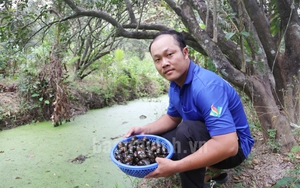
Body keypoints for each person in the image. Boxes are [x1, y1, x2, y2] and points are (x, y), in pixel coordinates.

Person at [124, 30, 254, 188]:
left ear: (185, 52)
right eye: (157, 59)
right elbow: (172, 118)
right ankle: (209, 173)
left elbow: (229, 146)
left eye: (169, 54)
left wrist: (176, 166)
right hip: (210, 136)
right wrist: (144, 129)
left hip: (235, 149)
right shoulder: (175, 85)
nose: (164, 63)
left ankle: (198, 179)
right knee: (162, 138)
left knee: (186, 131)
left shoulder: (206, 87)